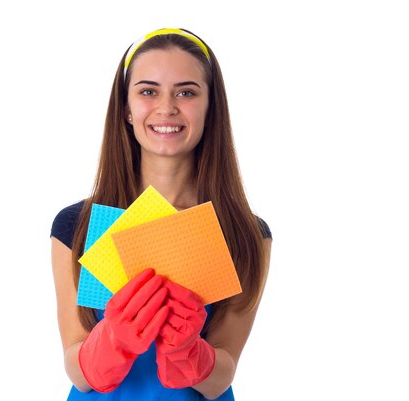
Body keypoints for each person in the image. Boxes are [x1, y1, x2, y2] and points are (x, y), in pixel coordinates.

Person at [50, 28, 272, 400]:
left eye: (186, 92)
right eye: (148, 91)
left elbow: (221, 377)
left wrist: (191, 353)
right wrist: (111, 341)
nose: (166, 107)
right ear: (126, 108)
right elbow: (77, 368)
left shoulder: (243, 233)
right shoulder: (76, 226)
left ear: (209, 107)